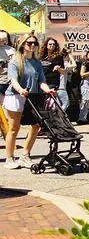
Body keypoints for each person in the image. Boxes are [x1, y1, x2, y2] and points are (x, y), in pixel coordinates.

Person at [3, 35, 53, 169]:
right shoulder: (15, 61)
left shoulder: (36, 62)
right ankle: (9, 158)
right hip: (15, 96)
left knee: (36, 126)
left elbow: (41, 81)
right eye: (29, 43)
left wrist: (48, 90)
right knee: (14, 128)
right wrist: (20, 90)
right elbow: (13, 80)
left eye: (35, 43)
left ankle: (25, 155)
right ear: (22, 44)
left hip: (33, 96)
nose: (32, 45)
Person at [39, 36, 67, 111]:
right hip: (41, 82)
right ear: (46, 45)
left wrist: (58, 68)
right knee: (41, 102)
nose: (52, 46)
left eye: (54, 44)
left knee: (51, 102)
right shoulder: (41, 56)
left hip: (52, 83)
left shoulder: (58, 57)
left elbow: (63, 71)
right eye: (50, 44)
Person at [0, 30, 15, 98]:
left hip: (5, 80)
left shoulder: (10, 50)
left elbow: (14, 62)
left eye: (4, 39)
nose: (2, 41)